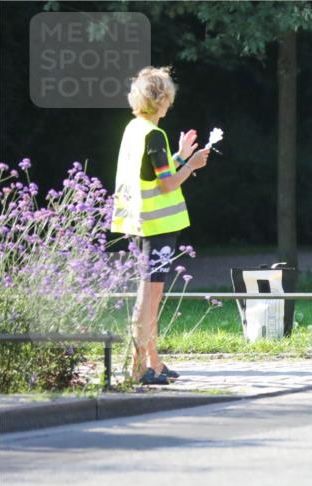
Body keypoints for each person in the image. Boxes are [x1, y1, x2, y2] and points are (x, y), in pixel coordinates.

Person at [112, 66, 210, 385]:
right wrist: (192, 165)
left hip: (140, 223)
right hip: (158, 228)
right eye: (169, 95)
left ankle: (154, 362)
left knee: (149, 295)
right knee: (150, 298)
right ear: (163, 98)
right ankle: (139, 368)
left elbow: (154, 175)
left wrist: (180, 155)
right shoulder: (154, 135)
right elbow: (168, 185)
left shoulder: (135, 129)